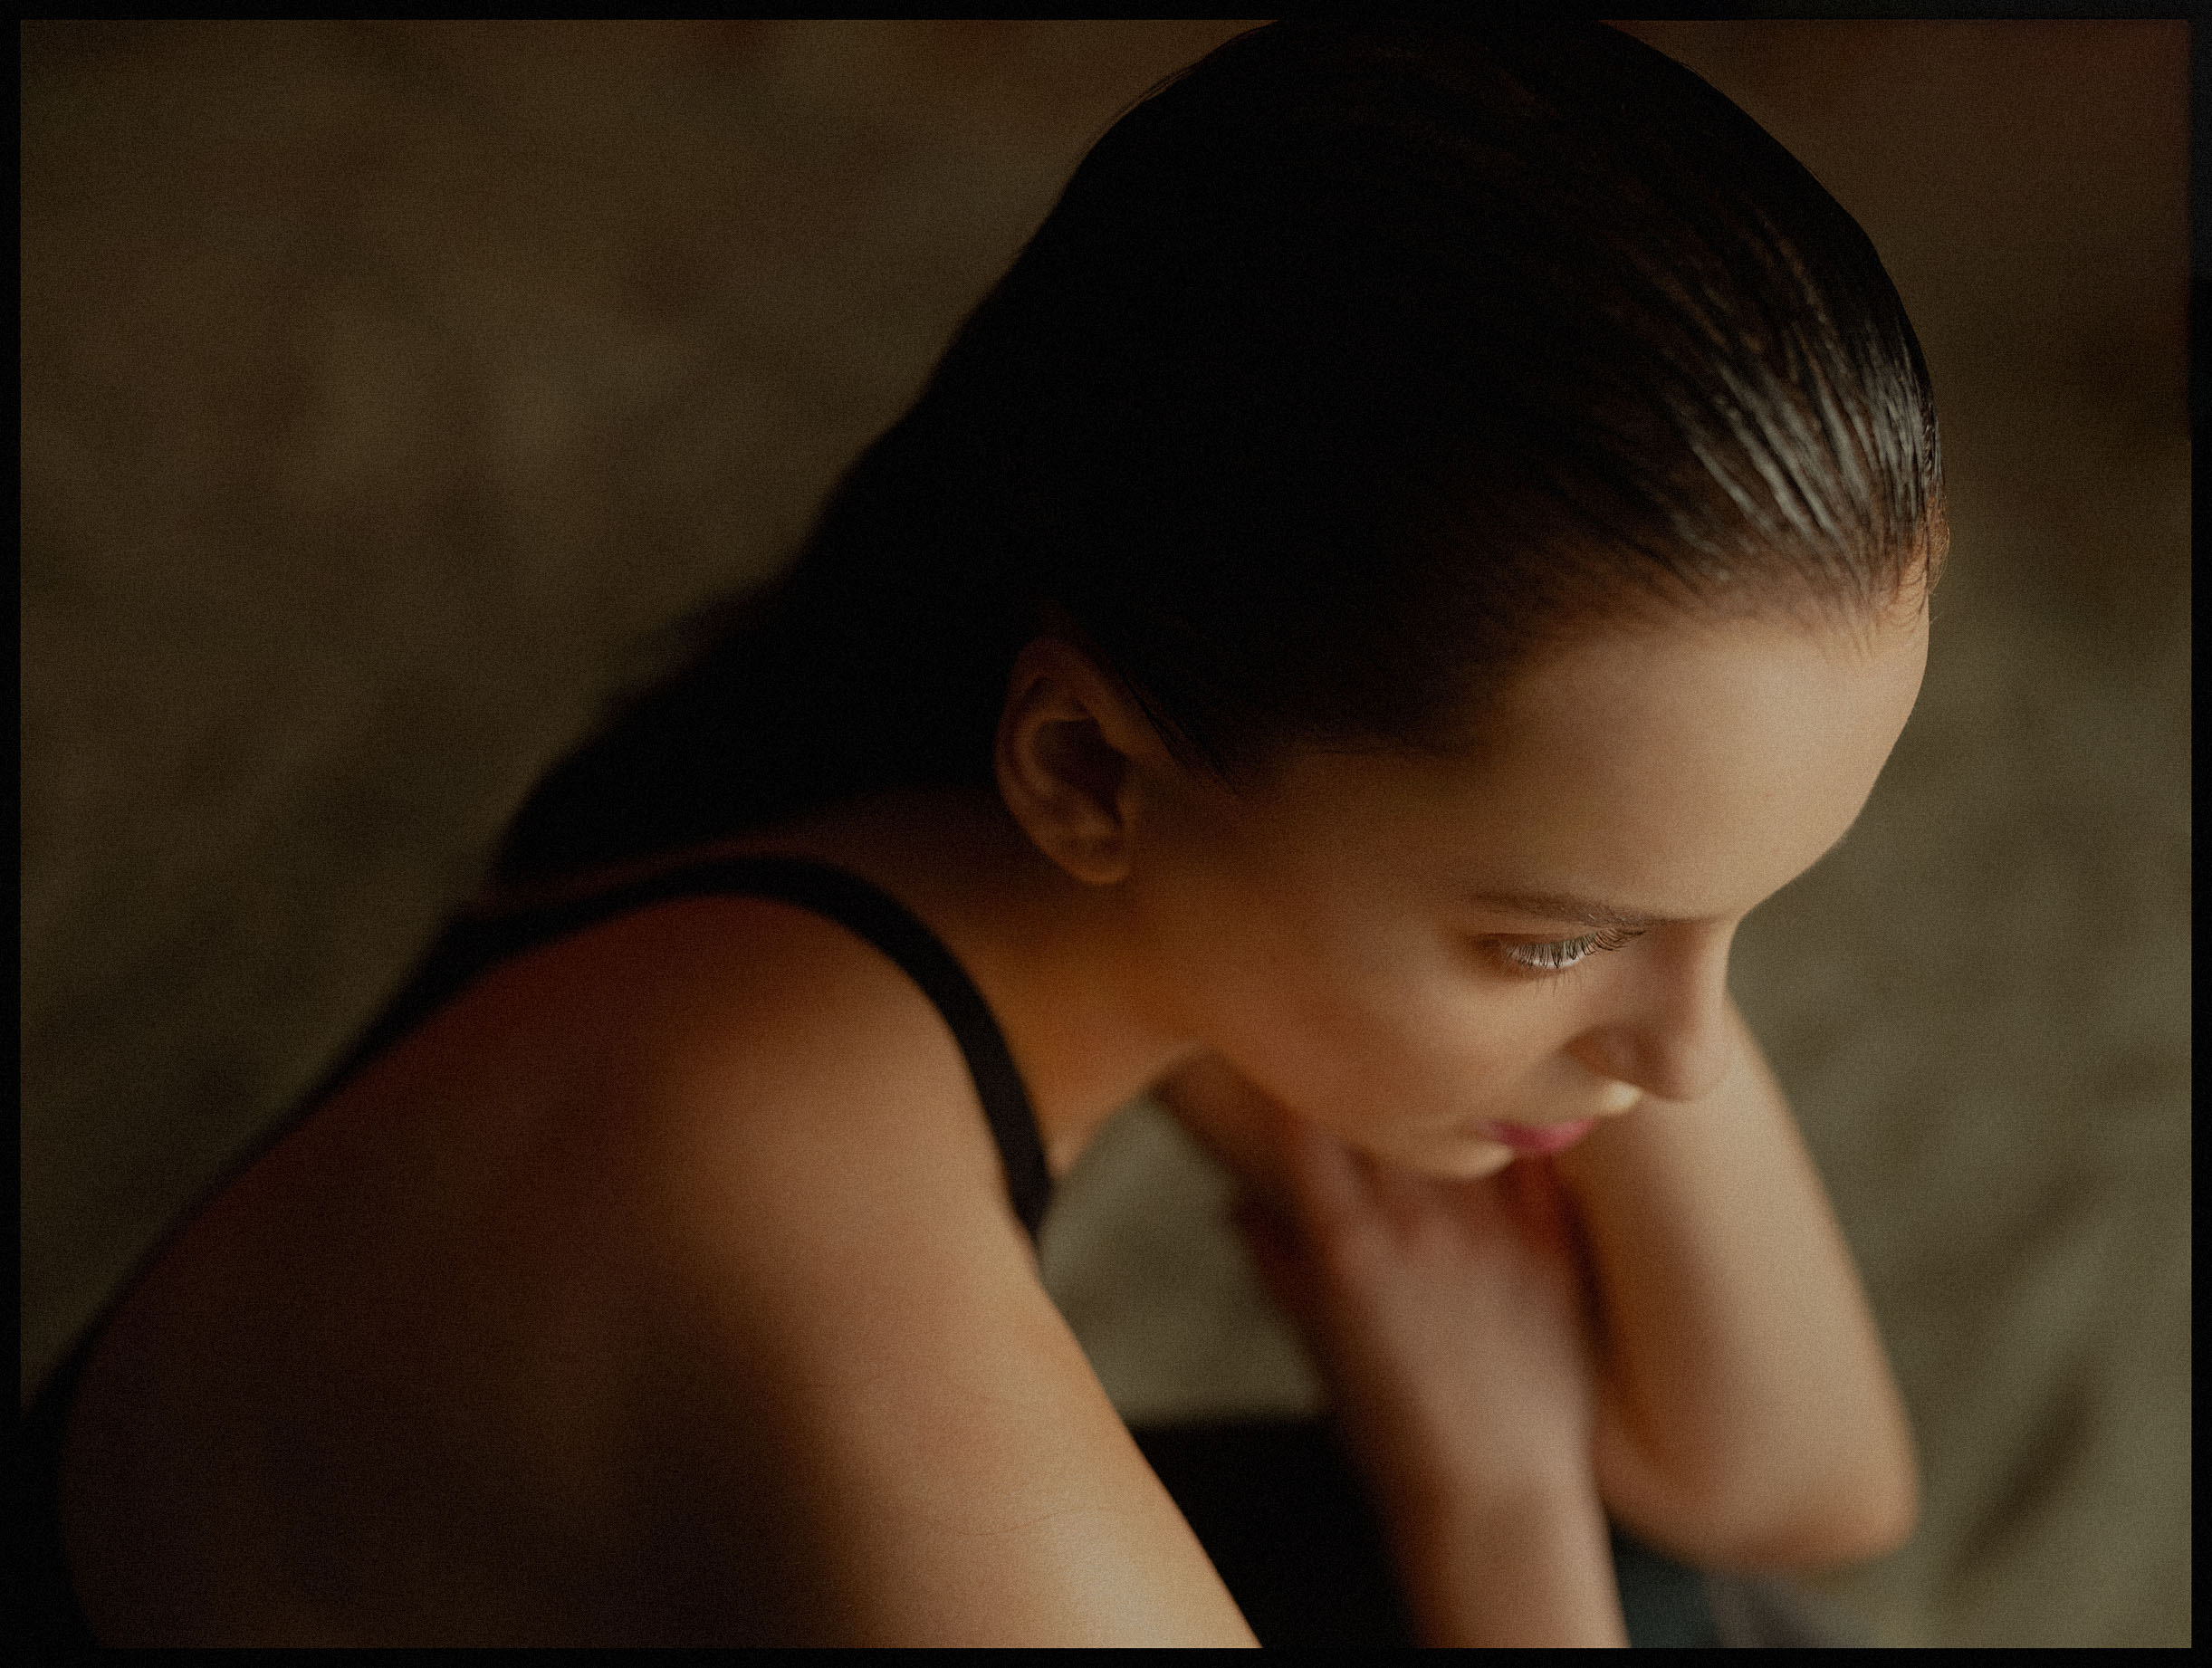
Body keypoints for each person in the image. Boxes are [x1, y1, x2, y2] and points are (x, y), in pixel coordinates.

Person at [29, 20, 1934, 1645]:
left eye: (1752, 903)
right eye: (1554, 937)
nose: (1685, 1056)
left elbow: (1796, 1475)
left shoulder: (1041, 785)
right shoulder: (828, 1268)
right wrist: (1494, 1513)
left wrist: (1628, 890)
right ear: (1087, 769)